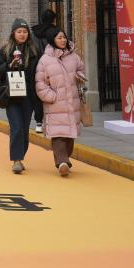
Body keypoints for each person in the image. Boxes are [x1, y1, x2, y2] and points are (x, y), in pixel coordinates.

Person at [0, 18, 41, 174]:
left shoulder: (34, 51)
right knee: (17, 127)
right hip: (11, 95)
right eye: (19, 31)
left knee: (24, 129)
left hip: (29, 96)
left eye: (25, 32)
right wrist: (8, 65)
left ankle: (20, 156)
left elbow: (40, 71)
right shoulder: (6, 50)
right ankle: (17, 160)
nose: (22, 34)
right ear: (13, 33)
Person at [36, 30, 87, 176]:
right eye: (59, 38)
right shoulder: (45, 60)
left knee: (70, 136)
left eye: (64, 37)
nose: (63, 40)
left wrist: (79, 76)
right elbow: (40, 83)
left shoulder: (74, 57)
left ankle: (64, 159)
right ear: (52, 40)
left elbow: (81, 70)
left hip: (72, 102)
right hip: (55, 105)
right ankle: (62, 162)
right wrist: (52, 97)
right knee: (58, 135)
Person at [30, 9, 60, 132]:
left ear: (41, 19)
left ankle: (39, 122)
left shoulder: (33, 33)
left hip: (37, 67)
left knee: (39, 94)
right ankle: (54, 121)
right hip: (54, 67)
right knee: (55, 93)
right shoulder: (56, 32)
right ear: (54, 19)